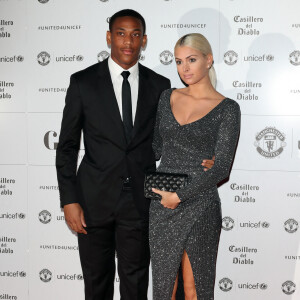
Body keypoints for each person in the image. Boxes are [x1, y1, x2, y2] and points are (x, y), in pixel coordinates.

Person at [56, 10, 214, 300]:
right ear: (109, 37)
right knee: (96, 284)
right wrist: (69, 200)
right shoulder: (83, 82)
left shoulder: (161, 86)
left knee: (137, 284)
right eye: (121, 33)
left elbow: (173, 141)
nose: (128, 41)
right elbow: (66, 147)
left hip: (142, 204)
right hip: (92, 202)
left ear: (144, 40)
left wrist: (207, 158)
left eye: (135, 34)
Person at [150, 33, 241, 300]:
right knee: (164, 289)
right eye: (179, 62)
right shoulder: (167, 97)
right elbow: (155, 148)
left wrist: (178, 197)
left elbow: (222, 167)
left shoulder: (227, 109)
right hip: (163, 204)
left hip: (200, 203)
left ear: (208, 60)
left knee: (196, 289)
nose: (184, 68)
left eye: (191, 60)